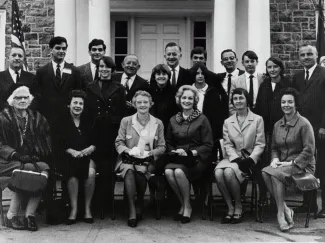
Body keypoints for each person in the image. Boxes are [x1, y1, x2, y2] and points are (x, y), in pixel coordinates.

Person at [262, 87, 316, 232]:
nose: (286, 105)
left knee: (275, 175)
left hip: (302, 165)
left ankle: (280, 213)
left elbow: (309, 150)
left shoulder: (304, 124)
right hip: (282, 164)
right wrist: (274, 159)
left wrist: (292, 162)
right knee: (265, 172)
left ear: (295, 104)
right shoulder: (277, 125)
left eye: (290, 102)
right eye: (283, 102)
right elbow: (274, 148)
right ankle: (285, 209)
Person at [0, 85, 51, 231]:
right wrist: (15, 154)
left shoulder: (37, 117)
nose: (22, 100)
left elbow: (46, 138)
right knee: (28, 171)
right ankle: (12, 215)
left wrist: (37, 152)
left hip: (29, 159)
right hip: (6, 160)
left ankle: (29, 215)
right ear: (11, 100)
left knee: (45, 169)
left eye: (25, 97)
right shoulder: (3, 118)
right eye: (18, 97)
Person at [214, 88, 265, 224]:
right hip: (232, 158)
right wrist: (235, 158)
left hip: (250, 159)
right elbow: (227, 144)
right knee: (219, 172)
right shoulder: (228, 121)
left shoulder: (257, 119)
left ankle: (238, 206)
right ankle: (230, 207)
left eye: (241, 98)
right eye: (235, 99)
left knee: (229, 173)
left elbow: (260, 144)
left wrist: (251, 159)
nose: (238, 101)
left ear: (247, 100)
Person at [115, 90, 166, 227]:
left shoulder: (158, 123)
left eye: (145, 102)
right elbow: (119, 142)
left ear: (151, 104)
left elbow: (162, 147)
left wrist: (150, 154)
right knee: (130, 171)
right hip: (127, 158)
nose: (142, 105)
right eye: (139, 102)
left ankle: (140, 203)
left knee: (140, 170)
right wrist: (129, 150)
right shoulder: (126, 121)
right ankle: (133, 209)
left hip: (147, 159)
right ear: (133, 104)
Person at [164, 85, 213, 224]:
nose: (186, 101)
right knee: (168, 171)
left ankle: (187, 207)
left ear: (195, 100)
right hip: (178, 156)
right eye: (184, 98)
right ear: (179, 100)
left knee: (178, 172)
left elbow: (208, 144)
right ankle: (185, 204)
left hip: (196, 158)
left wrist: (191, 152)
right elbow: (168, 141)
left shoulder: (202, 119)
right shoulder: (173, 119)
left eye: (190, 98)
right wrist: (173, 150)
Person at [86, 56, 126, 212]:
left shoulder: (119, 88)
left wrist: (110, 119)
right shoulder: (90, 87)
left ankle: (107, 205)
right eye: (101, 66)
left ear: (112, 70)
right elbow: (87, 112)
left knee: (107, 169)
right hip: (94, 133)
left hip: (111, 133)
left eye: (107, 67)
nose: (104, 70)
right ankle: (94, 204)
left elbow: (122, 113)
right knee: (93, 168)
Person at [292, 43, 325, 216]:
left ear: (316, 55)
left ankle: (324, 207)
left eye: (309, 54)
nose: (306, 57)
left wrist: (324, 125)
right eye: (303, 54)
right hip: (303, 129)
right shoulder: (297, 77)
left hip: (320, 129)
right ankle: (309, 204)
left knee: (322, 167)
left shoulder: (324, 73)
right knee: (305, 166)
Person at [254, 57, 291, 209]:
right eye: (269, 67)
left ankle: (278, 198)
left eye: (275, 66)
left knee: (278, 160)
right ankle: (264, 193)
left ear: (280, 68)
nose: (272, 70)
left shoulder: (288, 84)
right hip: (265, 129)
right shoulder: (264, 85)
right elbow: (258, 107)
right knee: (263, 161)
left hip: (282, 128)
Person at [55, 90, 97, 225]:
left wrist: (91, 148)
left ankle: (87, 209)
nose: (77, 106)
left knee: (91, 173)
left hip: (87, 156)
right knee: (72, 173)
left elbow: (97, 140)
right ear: (69, 104)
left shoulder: (90, 120)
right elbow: (57, 143)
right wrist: (71, 151)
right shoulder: (60, 121)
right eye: (75, 103)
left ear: (84, 106)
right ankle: (74, 209)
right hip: (67, 156)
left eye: (80, 103)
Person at [32, 36, 83, 128]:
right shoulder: (41, 72)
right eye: (58, 48)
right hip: (48, 119)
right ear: (51, 50)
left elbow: (79, 94)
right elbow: (37, 96)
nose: (61, 51)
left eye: (64, 48)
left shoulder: (75, 71)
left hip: (69, 119)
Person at [189, 62, 228, 150]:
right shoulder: (188, 90)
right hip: (190, 131)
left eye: (202, 73)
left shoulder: (213, 91)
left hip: (209, 131)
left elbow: (218, 117)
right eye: (197, 73)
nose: (200, 76)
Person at [229, 50, 264, 115]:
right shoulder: (236, 81)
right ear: (242, 63)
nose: (250, 64)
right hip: (243, 115)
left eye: (252, 61)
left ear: (257, 62)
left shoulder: (263, 79)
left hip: (262, 115)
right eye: (247, 62)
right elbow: (231, 104)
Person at [0, 47, 34, 111]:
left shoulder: (32, 78)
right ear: (8, 58)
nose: (17, 58)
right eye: (14, 55)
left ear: (23, 60)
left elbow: (35, 101)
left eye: (20, 56)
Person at [149, 64, 178, 132]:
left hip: (170, 128)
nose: (161, 76)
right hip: (152, 128)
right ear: (154, 76)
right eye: (158, 74)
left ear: (168, 76)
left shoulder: (175, 92)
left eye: (164, 74)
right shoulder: (149, 91)